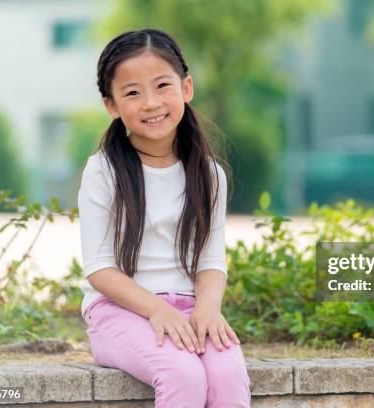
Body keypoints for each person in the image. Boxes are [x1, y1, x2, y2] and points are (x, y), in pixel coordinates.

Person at [77, 28, 251, 407]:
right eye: (133, 93)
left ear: (186, 88)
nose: (151, 103)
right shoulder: (103, 171)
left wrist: (207, 309)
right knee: (181, 373)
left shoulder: (208, 174)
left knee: (228, 375)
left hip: (189, 308)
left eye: (162, 86)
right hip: (117, 312)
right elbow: (100, 268)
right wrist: (158, 311)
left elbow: (211, 261)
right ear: (112, 105)